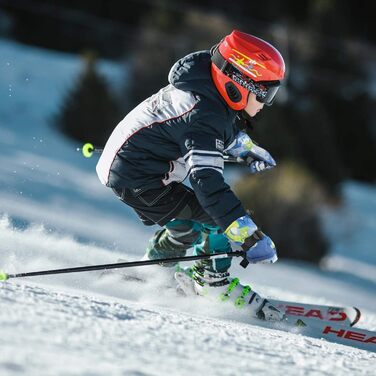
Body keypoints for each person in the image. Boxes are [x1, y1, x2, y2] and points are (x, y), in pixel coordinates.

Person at [96, 30, 285, 321]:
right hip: (140, 180)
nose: (265, 103)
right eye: (265, 93)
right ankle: (212, 283)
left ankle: (155, 268)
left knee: (190, 222)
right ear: (240, 83)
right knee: (220, 221)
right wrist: (247, 233)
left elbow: (214, 130)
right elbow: (206, 183)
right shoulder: (202, 115)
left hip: (135, 170)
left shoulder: (205, 90)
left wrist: (244, 147)